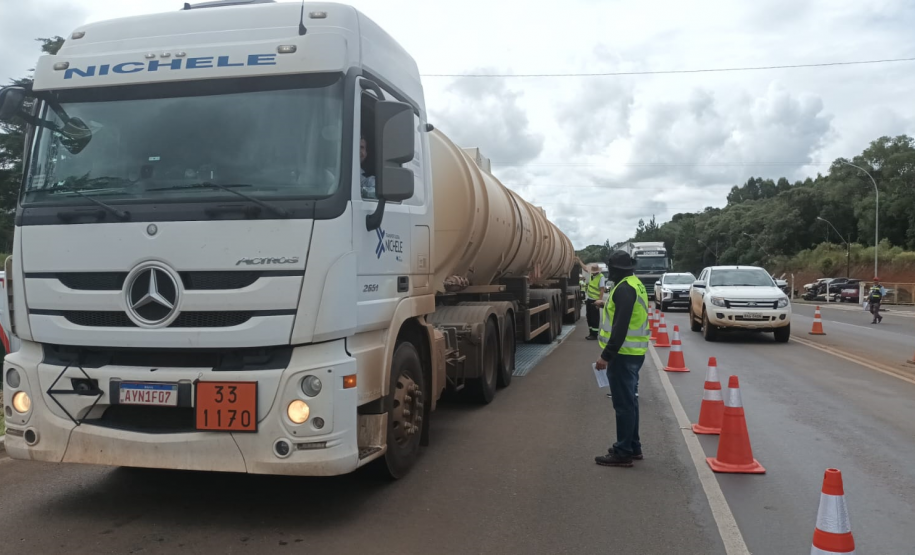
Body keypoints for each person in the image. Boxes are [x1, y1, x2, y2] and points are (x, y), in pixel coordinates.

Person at [593, 250, 650, 468]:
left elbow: (620, 326)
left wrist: (606, 356)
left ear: (615, 270)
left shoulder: (624, 289)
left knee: (623, 404)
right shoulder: (634, 284)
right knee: (630, 401)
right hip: (633, 353)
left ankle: (623, 451)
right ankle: (633, 446)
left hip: (623, 355)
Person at [584, 264, 607, 340]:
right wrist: (579, 260)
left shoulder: (601, 277)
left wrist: (599, 302)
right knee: (589, 317)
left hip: (595, 300)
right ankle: (591, 333)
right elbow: (585, 268)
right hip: (589, 299)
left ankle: (594, 335)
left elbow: (602, 290)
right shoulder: (592, 276)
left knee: (594, 318)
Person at [360, 133, 376, 199]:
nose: (358, 150)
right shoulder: (331, 175)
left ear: (366, 153)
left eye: (362, 147)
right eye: (354, 146)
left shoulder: (368, 181)